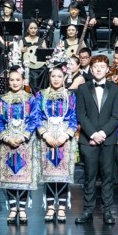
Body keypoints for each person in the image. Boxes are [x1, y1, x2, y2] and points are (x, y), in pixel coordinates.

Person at [75, 54, 118, 225]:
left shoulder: (116, 89)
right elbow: (81, 115)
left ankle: (107, 211)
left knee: (108, 176)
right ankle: (88, 210)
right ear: (90, 69)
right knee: (89, 176)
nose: (98, 70)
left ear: (107, 69)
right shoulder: (82, 88)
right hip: (88, 139)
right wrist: (93, 134)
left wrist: (102, 134)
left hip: (108, 139)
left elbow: (116, 116)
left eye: (102, 67)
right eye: (95, 66)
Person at [0, 65, 39, 224]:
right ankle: (13, 208)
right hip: (7, 142)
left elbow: (34, 119)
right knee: (10, 175)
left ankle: (23, 208)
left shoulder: (30, 99)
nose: (14, 82)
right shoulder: (3, 99)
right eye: (12, 80)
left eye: (17, 80)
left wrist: (23, 137)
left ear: (23, 81)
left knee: (23, 177)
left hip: (24, 142)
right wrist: (6, 137)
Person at [34, 54, 77, 223]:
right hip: (47, 137)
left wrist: (66, 135)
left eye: (59, 76)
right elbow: (36, 116)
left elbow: (74, 117)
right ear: (49, 76)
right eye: (53, 76)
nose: (56, 79)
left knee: (62, 174)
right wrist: (45, 134)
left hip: (64, 137)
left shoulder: (70, 96)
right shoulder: (41, 95)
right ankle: (51, 206)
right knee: (49, 173)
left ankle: (62, 207)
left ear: (65, 77)